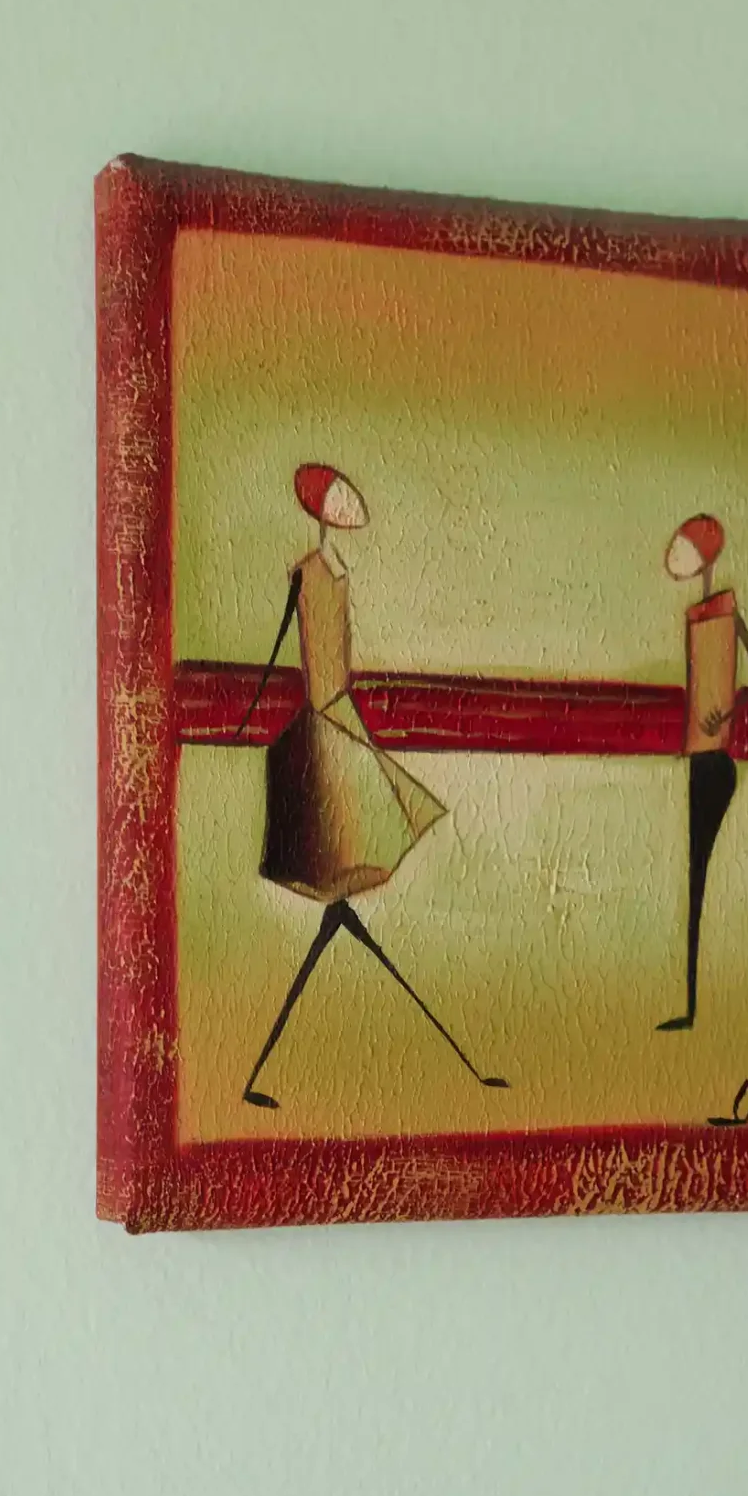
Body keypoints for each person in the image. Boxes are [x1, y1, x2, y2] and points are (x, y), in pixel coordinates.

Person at [235, 463, 508, 1109]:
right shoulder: (308, 571)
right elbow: (285, 645)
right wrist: (256, 715)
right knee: (344, 870)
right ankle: (256, 1076)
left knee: (352, 878)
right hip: (326, 731)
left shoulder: (333, 571)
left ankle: (258, 1076)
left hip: (340, 720)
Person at [656, 513, 748, 1031]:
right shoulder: (704, 616)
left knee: (699, 879)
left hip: (715, 762)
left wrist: (726, 717)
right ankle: (691, 1005)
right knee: (694, 881)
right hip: (701, 758)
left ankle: (694, 1007)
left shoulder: (723, 615)